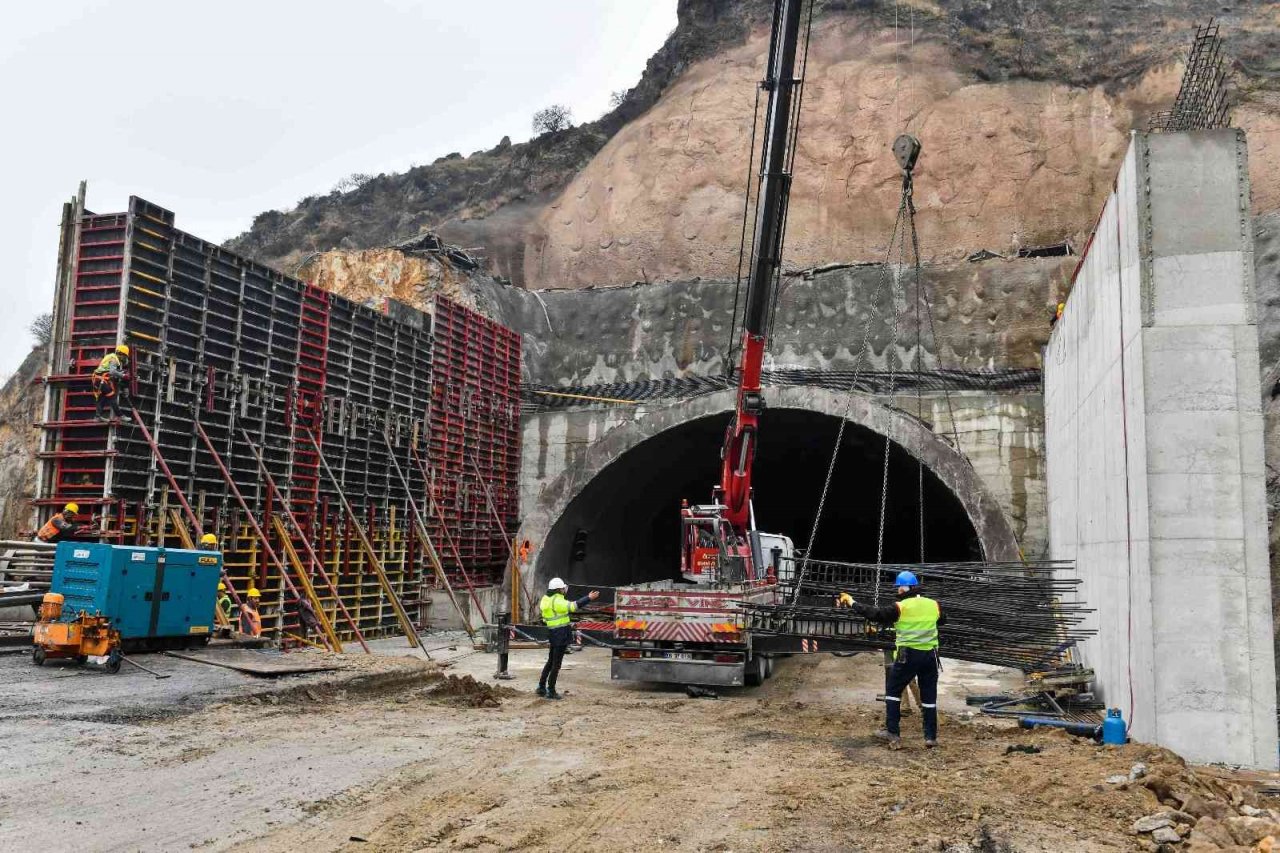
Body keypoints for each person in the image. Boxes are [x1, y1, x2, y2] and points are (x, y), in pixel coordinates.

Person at [841, 571, 944, 749]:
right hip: (930, 656)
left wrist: (852, 602)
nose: (898, 590)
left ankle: (893, 733)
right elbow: (941, 621)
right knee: (929, 696)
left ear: (905, 588)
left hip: (908, 655)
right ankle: (930, 737)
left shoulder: (901, 606)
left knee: (893, 691)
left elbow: (874, 614)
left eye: (899, 587)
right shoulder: (934, 604)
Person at [537, 577, 598, 700]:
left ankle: (541, 687)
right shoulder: (557, 601)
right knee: (556, 664)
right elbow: (573, 606)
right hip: (561, 634)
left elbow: (549, 617)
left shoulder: (546, 599)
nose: (564, 589)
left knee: (550, 662)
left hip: (553, 633)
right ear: (558, 589)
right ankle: (551, 690)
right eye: (562, 588)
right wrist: (589, 598)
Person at [92, 344, 131, 422]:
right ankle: (120, 415)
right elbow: (112, 372)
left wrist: (120, 373)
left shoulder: (110, 356)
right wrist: (123, 375)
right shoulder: (114, 359)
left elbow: (107, 370)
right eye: (125, 356)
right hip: (101, 380)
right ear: (121, 354)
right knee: (112, 396)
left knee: (102, 398)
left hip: (98, 379)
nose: (124, 359)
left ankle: (97, 417)